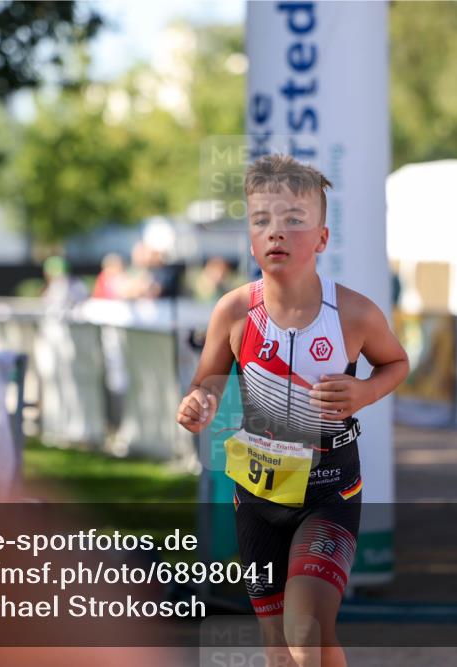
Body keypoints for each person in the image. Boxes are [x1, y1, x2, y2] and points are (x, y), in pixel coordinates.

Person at [176, 154, 409, 667]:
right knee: (280, 648)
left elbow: (396, 363)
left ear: (323, 238)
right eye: (262, 221)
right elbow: (208, 381)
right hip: (256, 496)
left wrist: (364, 393)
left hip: (329, 493)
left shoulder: (353, 312)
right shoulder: (234, 310)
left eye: (293, 220)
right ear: (251, 238)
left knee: (307, 630)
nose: (275, 232)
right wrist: (199, 402)